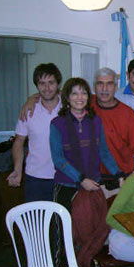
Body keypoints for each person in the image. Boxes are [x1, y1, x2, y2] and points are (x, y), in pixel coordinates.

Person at [50, 78, 123, 213]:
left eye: (83, 93)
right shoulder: (57, 124)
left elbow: (104, 152)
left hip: (94, 184)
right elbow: (58, 159)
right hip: (67, 185)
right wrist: (81, 179)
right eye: (74, 93)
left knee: (93, 228)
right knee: (64, 230)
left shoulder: (95, 121)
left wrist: (118, 175)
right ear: (67, 97)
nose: (79, 97)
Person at [7, 63, 62, 202]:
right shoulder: (28, 111)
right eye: (42, 83)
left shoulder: (69, 107)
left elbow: (85, 94)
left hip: (64, 177)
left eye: (51, 83)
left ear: (58, 84)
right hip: (35, 178)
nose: (47, 88)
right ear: (37, 86)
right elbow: (18, 143)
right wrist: (17, 169)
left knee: (62, 223)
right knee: (37, 222)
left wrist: (31, 97)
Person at [92, 68, 134, 182]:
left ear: (115, 87)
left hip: (121, 178)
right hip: (90, 178)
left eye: (109, 84)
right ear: (94, 87)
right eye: (100, 84)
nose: (104, 89)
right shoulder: (85, 106)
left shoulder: (127, 114)